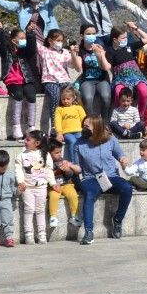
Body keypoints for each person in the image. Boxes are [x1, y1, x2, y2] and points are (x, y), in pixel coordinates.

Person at [69, 116, 133, 244]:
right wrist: (70, 166)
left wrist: (123, 160)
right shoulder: (79, 144)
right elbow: (78, 167)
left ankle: (118, 219)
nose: (84, 129)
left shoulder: (111, 139)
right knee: (89, 194)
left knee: (127, 188)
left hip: (111, 176)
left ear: (97, 127)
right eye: (83, 126)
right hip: (90, 178)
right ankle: (88, 232)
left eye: (87, 126)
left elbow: (120, 155)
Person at [15, 130, 55, 244]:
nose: (25, 141)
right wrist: (20, 182)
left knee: (40, 210)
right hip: (27, 188)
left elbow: (49, 171)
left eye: (28, 140)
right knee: (28, 210)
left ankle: (42, 234)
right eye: (25, 139)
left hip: (41, 187)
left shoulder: (45, 155)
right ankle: (29, 235)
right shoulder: (21, 155)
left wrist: (53, 183)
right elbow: (18, 170)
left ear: (37, 143)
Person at [33, 27, 75, 134]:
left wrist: (74, 54)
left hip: (64, 80)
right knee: (55, 95)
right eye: (57, 40)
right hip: (50, 81)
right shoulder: (45, 51)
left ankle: (72, 122)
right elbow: (34, 42)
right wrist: (31, 31)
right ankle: (54, 125)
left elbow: (71, 64)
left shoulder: (65, 52)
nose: (60, 43)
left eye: (61, 41)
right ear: (50, 41)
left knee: (75, 95)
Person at [106, 24, 147, 115]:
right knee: (118, 92)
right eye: (123, 38)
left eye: (126, 37)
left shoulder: (129, 46)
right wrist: (101, 55)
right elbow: (108, 66)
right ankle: (119, 115)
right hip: (121, 78)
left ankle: (140, 115)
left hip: (136, 75)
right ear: (115, 39)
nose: (125, 39)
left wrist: (136, 28)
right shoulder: (110, 51)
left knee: (144, 90)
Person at [74, 23, 113, 120]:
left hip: (102, 79)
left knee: (106, 97)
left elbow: (105, 67)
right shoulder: (80, 50)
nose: (92, 36)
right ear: (82, 35)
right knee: (87, 98)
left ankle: (105, 124)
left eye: (93, 33)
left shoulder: (100, 48)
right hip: (87, 80)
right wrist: (73, 54)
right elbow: (78, 68)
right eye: (88, 34)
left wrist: (99, 54)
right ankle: (91, 124)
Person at [47, 141, 81, 232]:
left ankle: (74, 216)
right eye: (56, 153)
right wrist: (57, 171)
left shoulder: (63, 161)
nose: (59, 154)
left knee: (73, 195)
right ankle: (53, 217)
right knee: (54, 196)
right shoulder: (47, 163)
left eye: (60, 152)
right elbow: (47, 176)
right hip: (53, 186)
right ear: (49, 153)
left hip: (66, 184)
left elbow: (69, 175)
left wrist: (67, 171)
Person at [54, 86, 87, 161]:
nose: (65, 101)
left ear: (73, 98)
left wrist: (86, 129)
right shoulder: (59, 109)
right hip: (67, 133)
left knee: (81, 142)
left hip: (79, 131)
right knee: (73, 141)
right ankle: (74, 163)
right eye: (63, 99)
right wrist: (59, 133)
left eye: (68, 99)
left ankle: (83, 162)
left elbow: (84, 120)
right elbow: (57, 122)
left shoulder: (78, 108)